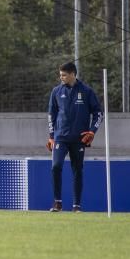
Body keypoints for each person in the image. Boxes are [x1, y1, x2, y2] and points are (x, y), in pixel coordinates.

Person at [47, 62, 102, 213]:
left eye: (64, 75)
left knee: (77, 169)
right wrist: (51, 136)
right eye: (60, 75)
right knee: (56, 166)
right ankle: (57, 203)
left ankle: (76, 206)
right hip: (60, 137)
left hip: (78, 139)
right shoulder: (56, 91)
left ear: (73, 74)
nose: (61, 78)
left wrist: (92, 131)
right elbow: (51, 115)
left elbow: (98, 113)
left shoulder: (86, 91)